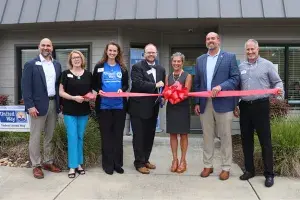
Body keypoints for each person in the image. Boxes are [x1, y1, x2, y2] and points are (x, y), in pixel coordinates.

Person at [234, 39, 283, 187]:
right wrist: (235, 104)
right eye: (248, 50)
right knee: (246, 140)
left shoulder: (267, 65)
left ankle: (269, 174)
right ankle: (249, 170)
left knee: (265, 141)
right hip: (245, 107)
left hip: (261, 106)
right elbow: (237, 88)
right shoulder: (240, 66)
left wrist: (279, 93)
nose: (250, 52)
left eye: (252, 49)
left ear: (257, 49)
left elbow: (277, 82)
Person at [194, 32, 240, 180]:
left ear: (218, 40)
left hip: (224, 102)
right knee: (207, 136)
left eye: (213, 38)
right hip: (205, 103)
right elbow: (198, 83)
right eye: (208, 39)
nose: (210, 41)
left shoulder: (229, 57)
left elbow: (235, 78)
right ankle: (208, 165)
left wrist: (221, 86)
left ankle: (226, 167)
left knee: (225, 136)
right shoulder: (200, 60)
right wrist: (196, 102)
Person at [21, 38, 62, 179]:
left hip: (53, 104)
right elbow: (26, 88)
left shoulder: (56, 65)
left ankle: (48, 162)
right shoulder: (30, 64)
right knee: (36, 136)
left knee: (49, 136)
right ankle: (36, 165)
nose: (46, 47)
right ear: (39, 47)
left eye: (48, 45)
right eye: (43, 45)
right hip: (37, 107)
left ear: (52, 47)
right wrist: (30, 105)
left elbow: (57, 86)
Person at [92, 42, 129, 175]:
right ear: (106, 51)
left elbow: (126, 85)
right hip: (104, 106)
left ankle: (117, 164)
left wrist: (121, 89)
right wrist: (99, 90)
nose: (112, 53)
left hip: (119, 106)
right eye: (110, 50)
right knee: (106, 136)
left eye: (115, 51)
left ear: (118, 53)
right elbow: (94, 84)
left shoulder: (123, 68)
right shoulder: (99, 66)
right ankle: (107, 165)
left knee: (118, 136)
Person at [128, 43, 166, 174]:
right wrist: (155, 85)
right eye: (148, 52)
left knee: (150, 135)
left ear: (156, 54)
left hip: (153, 107)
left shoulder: (161, 69)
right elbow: (138, 84)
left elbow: (163, 87)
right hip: (138, 107)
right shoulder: (137, 67)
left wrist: (163, 95)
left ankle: (146, 160)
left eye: (153, 52)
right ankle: (138, 163)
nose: (151, 54)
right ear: (144, 54)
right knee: (139, 136)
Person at [59, 50, 93, 178]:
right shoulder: (65, 74)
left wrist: (90, 97)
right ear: (70, 60)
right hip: (69, 111)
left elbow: (91, 91)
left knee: (80, 137)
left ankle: (79, 164)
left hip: (83, 110)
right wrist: (74, 98)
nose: (76, 59)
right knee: (72, 136)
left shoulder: (88, 74)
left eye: (78, 57)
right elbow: (61, 92)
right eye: (74, 58)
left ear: (82, 59)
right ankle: (72, 166)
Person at [166, 52, 192, 173]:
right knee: (172, 134)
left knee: (183, 135)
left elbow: (186, 93)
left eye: (179, 61)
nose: (176, 63)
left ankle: (183, 160)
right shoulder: (168, 76)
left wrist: (173, 92)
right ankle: (174, 160)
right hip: (171, 107)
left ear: (182, 62)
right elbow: (166, 92)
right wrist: (169, 93)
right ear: (172, 62)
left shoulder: (187, 75)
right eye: (174, 61)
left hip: (182, 107)